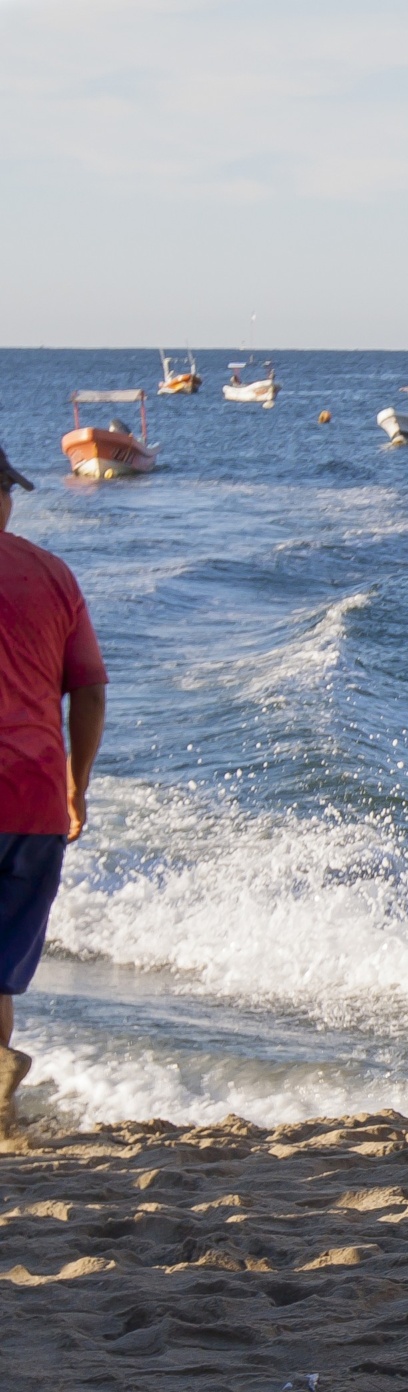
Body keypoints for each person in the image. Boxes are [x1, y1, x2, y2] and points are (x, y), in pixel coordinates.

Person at [0, 439, 109, 1137]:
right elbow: (90, 689)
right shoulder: (53, 574)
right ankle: (0, 1097)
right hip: (36, 799)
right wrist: (77, 787)